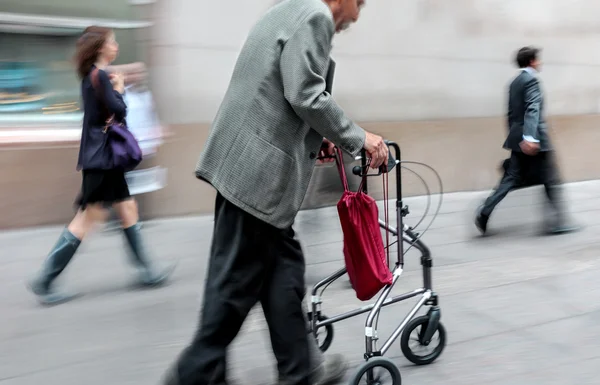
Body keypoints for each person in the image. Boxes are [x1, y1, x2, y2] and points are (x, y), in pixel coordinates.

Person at [162, 0, 388, 384]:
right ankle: (195, 373)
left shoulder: (289, 10)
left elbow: (277, 92)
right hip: (258, 175)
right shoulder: (315, 16)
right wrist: (357, 138)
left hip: (253, 169)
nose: (357, 15)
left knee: (283, 271)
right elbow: (305, 93)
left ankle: (301, 369)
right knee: (234, 283)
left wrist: (319, 139)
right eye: (360, 3)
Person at [27, 26, 173, 305]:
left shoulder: (91, 76)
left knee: (127, 207)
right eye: (112, 41)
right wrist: (118, 89)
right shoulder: (100, 77)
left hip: (102, 159)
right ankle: (45, 279)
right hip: (104, 160)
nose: (115, 45)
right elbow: (118, 110)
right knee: (88, 217)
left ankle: (147, 271)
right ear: (100, 47)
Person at [475, 46, 578, 236]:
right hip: (535, 140)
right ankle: (558, 222)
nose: (540, 63)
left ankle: (484, 211)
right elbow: (532, 109)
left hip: (518, 139)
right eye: (538, 60)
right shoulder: (532, 81)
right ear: (531, 61)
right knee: (550, 179)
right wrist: (530, 137)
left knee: (511, 178)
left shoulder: (514, 82)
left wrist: (516, 137)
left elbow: (511, 114)